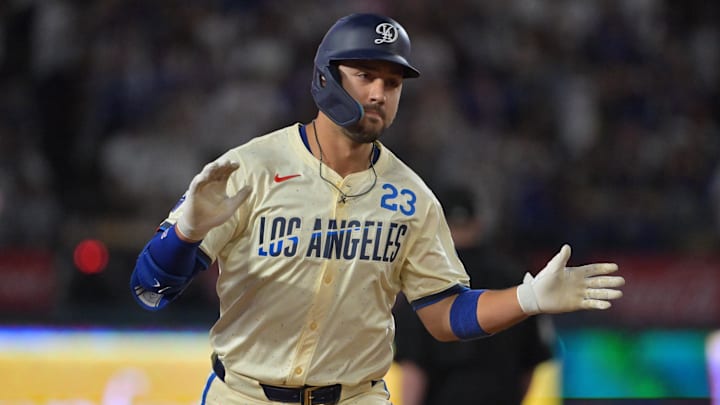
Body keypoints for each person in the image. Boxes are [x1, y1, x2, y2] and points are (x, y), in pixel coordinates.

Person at [129, 13, 625, 405]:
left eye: (392, 83)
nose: (378, 94)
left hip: (355, 397)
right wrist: (186, 235)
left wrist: (527, 299)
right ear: (325, 78)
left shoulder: (411, 197)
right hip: (244, 396)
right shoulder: (250, 168)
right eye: (365, 75)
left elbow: (443, 313)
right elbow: (150, 292)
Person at [393, 186, 554, 404]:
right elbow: (531, 363)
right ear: (478, 223)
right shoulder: (515, 278)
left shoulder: (423, 282)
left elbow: (414, 371)